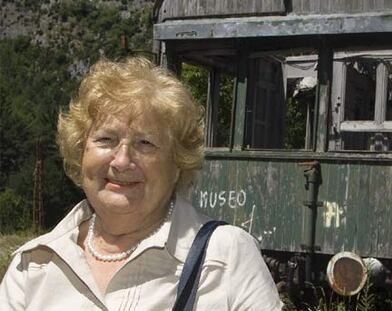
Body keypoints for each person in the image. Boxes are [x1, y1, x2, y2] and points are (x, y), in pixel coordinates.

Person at [0, 57, 283, 310]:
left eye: (145, 143)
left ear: (176, 164)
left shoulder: (227, 256)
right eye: (106, 139)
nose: (122, 161)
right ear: (80, 151)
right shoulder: (34, 265)